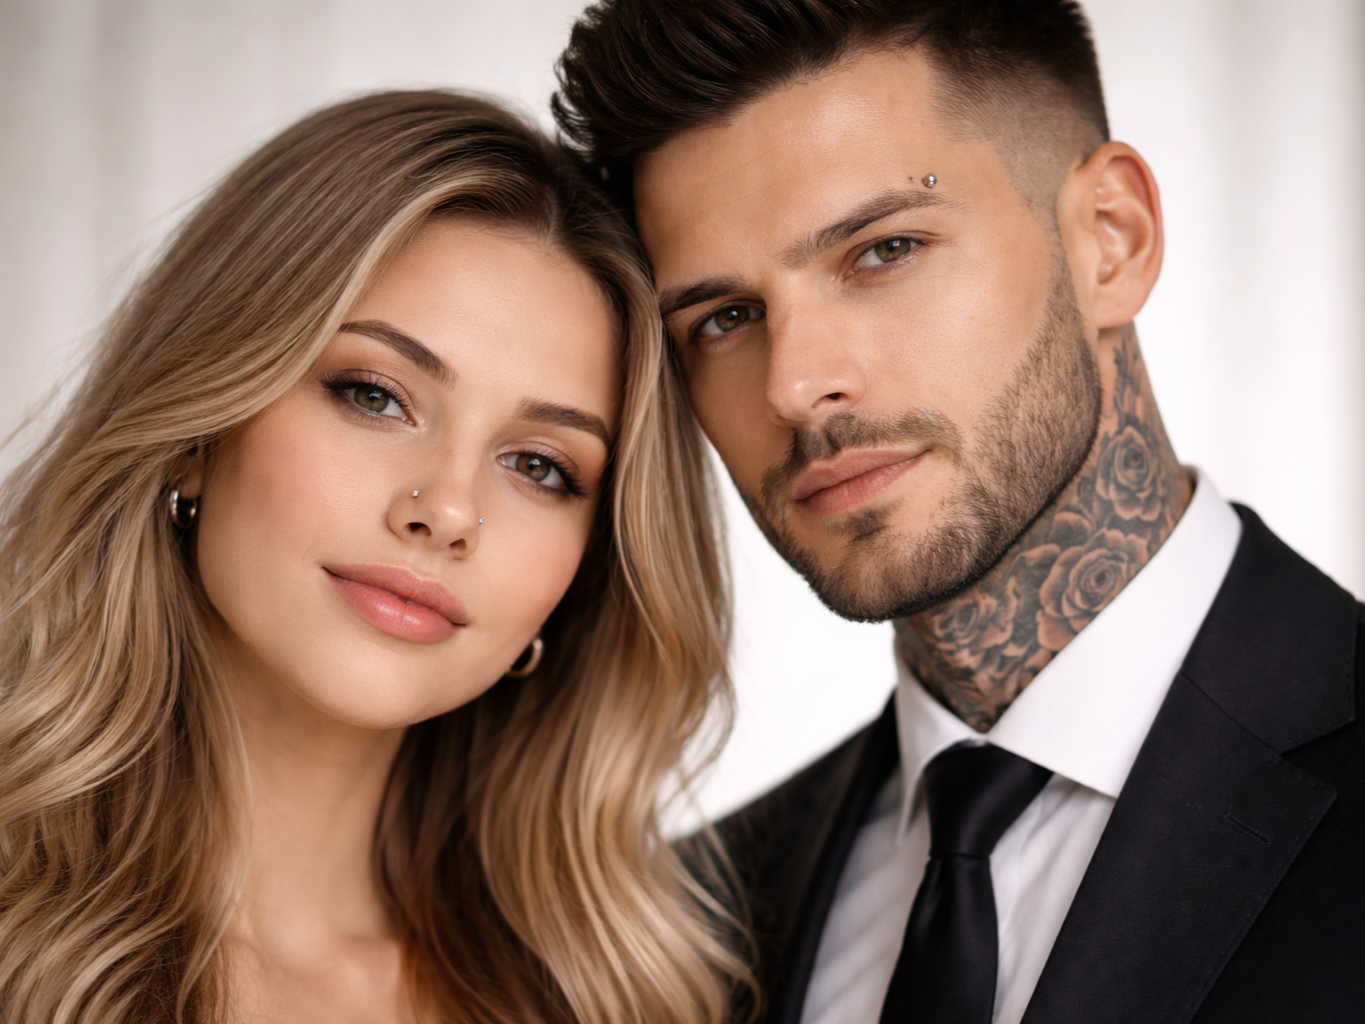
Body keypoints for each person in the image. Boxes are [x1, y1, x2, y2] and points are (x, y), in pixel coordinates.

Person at [552, 1, 1365, 1022]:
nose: (795, 385)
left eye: (883, 251)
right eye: (724, 318)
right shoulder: (688, 930)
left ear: (1111, 240)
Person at [0, 90, 751, 1023]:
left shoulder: (620, 1004)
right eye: (373, 395)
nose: (445, 510)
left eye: (539, 466)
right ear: (199, 428)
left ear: (584, 574)